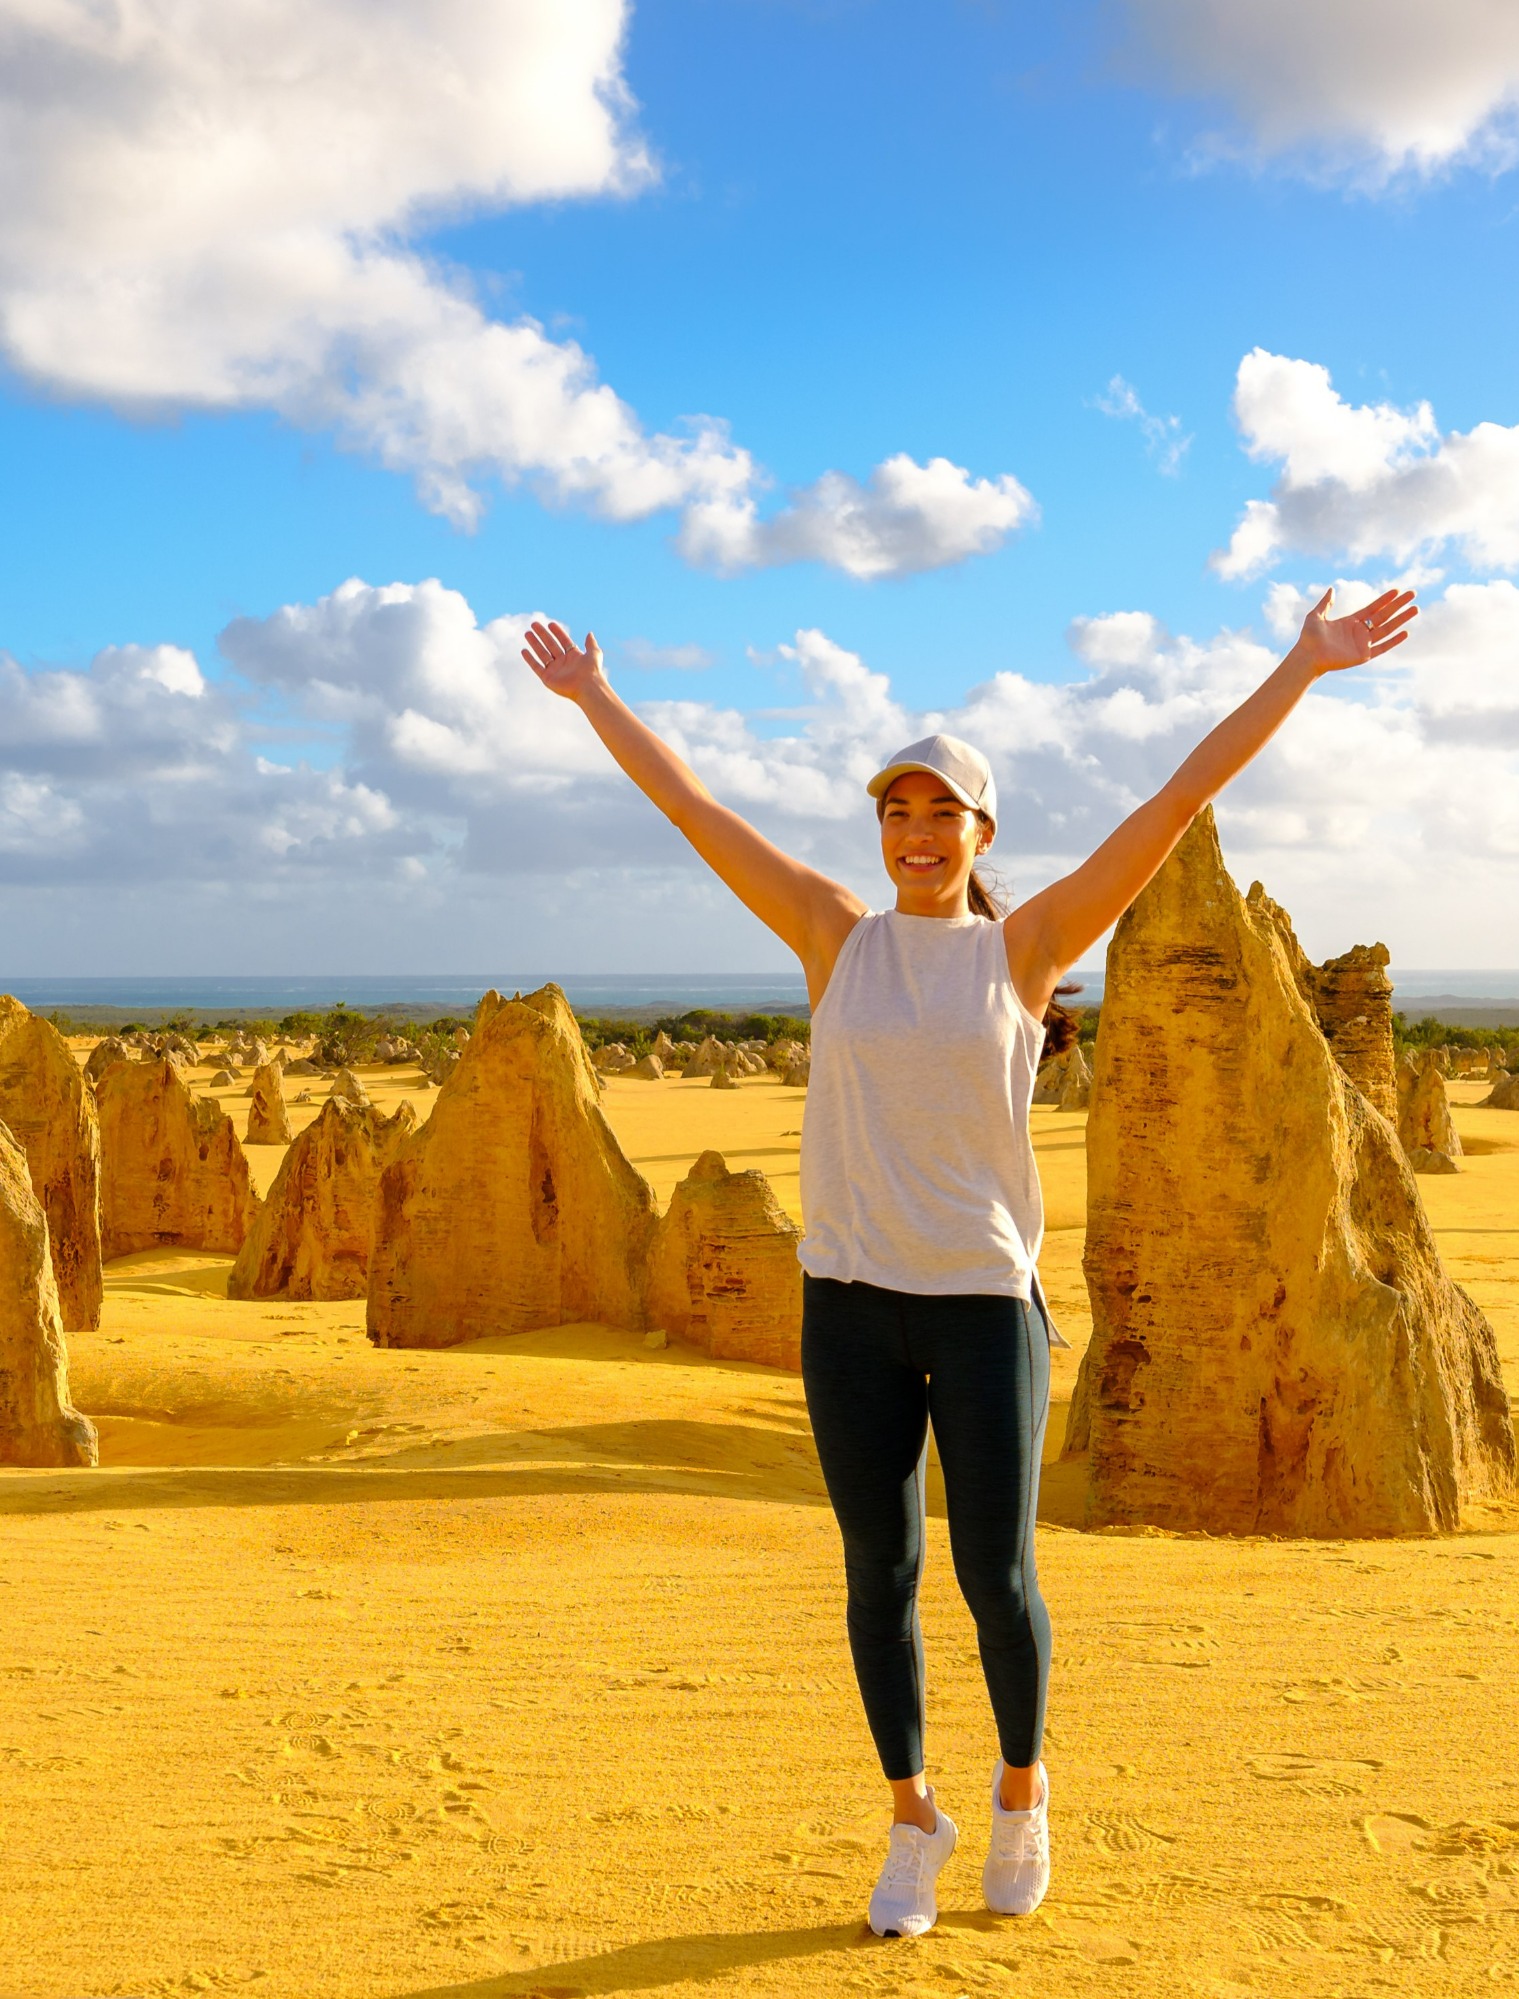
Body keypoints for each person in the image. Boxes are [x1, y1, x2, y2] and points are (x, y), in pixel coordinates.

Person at [520, 586, 1419, 1937]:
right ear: (878, 831)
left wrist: (1303, 664)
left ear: (980, 831)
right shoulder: (835, 936)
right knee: (875, 1572)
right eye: (897, 810)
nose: (918, 833)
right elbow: (697, 815)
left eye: (943, 812)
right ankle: (911, 1818)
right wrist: (599, 703)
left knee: (996, 1578)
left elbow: (1172, 803)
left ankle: (1019, 1789)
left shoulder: (1026, 950)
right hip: (850, 1308)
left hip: (987, 1307)